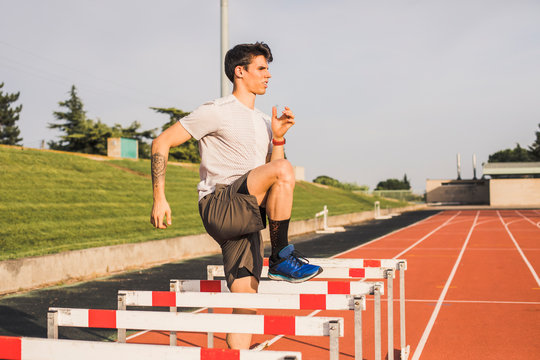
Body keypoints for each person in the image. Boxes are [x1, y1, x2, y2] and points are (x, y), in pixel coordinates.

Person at [149, 42, 322, 349]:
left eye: (268, 68)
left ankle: (236, 355)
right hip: (220, 204)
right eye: (261, 68)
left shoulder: (264, 122)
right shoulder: (216, 111)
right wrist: (159, 198)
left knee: (246, 301)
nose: (268, 75)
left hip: (245, 216)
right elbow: (161, 143)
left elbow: (272, 173)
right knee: (284, 170)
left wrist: (278, 137)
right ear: (240, 72)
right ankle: (281, 256)